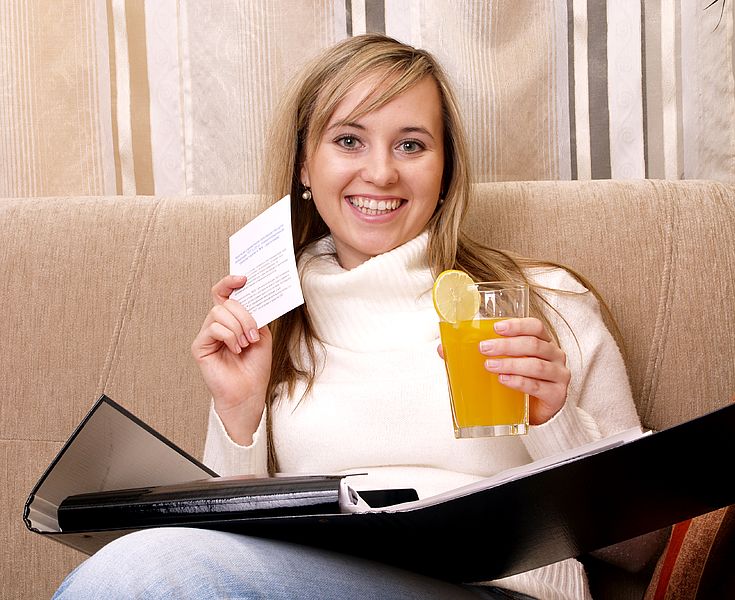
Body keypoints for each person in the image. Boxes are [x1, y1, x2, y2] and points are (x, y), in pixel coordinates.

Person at [54, 33, 641, 600]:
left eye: (411, 144)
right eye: (349, 141)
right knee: (147, 567)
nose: (381, 173)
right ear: (305, 166)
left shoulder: (539, 300)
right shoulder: (271, 322)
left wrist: (555, 423)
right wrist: (240, 415)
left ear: (445, 171)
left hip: (504, 591)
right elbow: (225, 557)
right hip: (319, 584)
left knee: (146, 569)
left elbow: (641, 549)